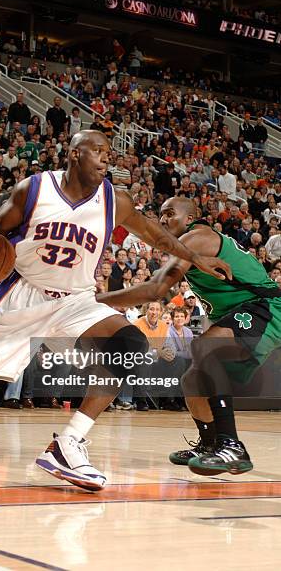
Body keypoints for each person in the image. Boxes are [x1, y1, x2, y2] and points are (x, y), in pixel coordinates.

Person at [0, 131, 228, 488]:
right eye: (97, 151)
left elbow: (156, 236)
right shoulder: (35, 189)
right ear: (75, 155)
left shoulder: (114, 200)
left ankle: (68, 443)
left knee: (130, 345)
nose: (107, 158)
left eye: (109, 153)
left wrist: (196, 257)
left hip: (74, 299)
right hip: (21, 294)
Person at [98, 196, 281, 476]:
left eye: (170, 213)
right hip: (246, 310)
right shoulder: (187, 246)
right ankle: (209, 445)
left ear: (189, 217)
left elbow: (155, 289)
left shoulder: (196, 237)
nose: (162, 220)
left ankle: (231, 446)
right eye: (160, 215)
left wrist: (98, 299)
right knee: (192, 379)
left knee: (206, 348)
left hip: (268, 307)